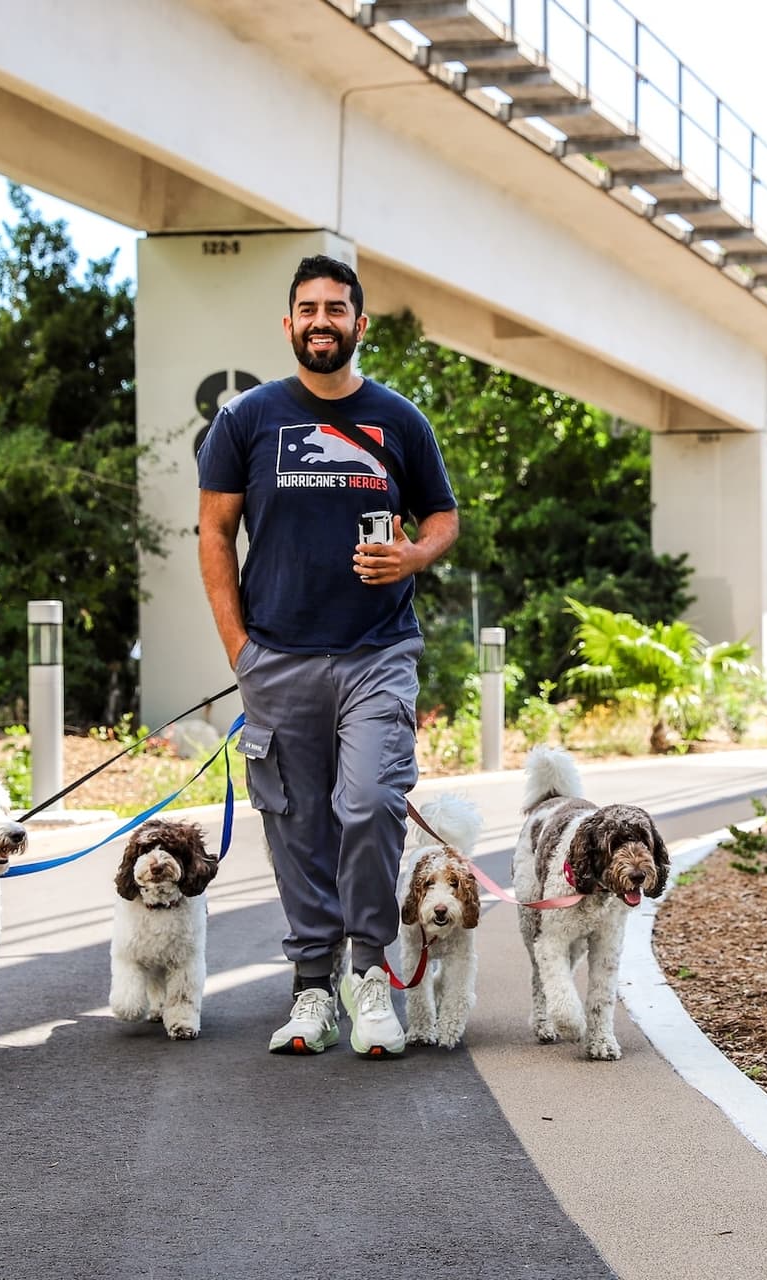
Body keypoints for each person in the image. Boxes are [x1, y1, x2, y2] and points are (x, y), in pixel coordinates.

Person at [195, 255, 458, 1057]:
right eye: (307, 309)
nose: (321, 321)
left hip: (378, 653)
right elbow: (214, 532)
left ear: (358, 323)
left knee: (371, 802)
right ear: (289, 324)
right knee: (296, 824)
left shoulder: (399, 419)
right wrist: (239, 650)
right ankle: (313, 985)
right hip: (277, 657)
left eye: (335, 309)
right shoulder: (247, 420)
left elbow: (442, 518)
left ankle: (369, 973)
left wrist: (414, 555)